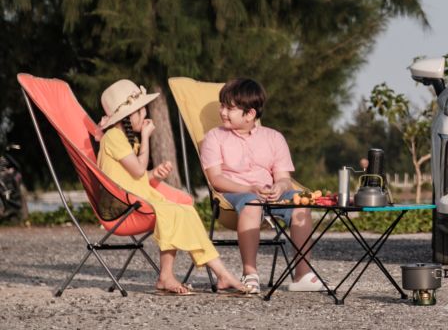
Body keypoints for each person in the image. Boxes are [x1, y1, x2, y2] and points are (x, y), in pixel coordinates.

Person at [95, 79, 254, 295]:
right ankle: (169, 276)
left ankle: (220, 274)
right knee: (173, 212)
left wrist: (155, 174)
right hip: (123, 207)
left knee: (185, 210)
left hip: (135, 200)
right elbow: (138, 171)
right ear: (128, 116)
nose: (145, 114)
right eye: (141, 110)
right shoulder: (113, 136)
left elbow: (136, 177)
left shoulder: (123, 139)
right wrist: (146, 137)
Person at [199, 78, 321, 293]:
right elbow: (216, 179)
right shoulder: (214, 137)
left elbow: (283, 178)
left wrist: (279, 187)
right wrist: (249, 189)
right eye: (222, 106)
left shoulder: (274, 138)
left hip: (268, 195)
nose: (222, 112)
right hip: (233, 196)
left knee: (301, 204)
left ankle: (302, 274)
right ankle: (250, 273)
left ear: (250, 114)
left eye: (229, 108)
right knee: (252, 202)